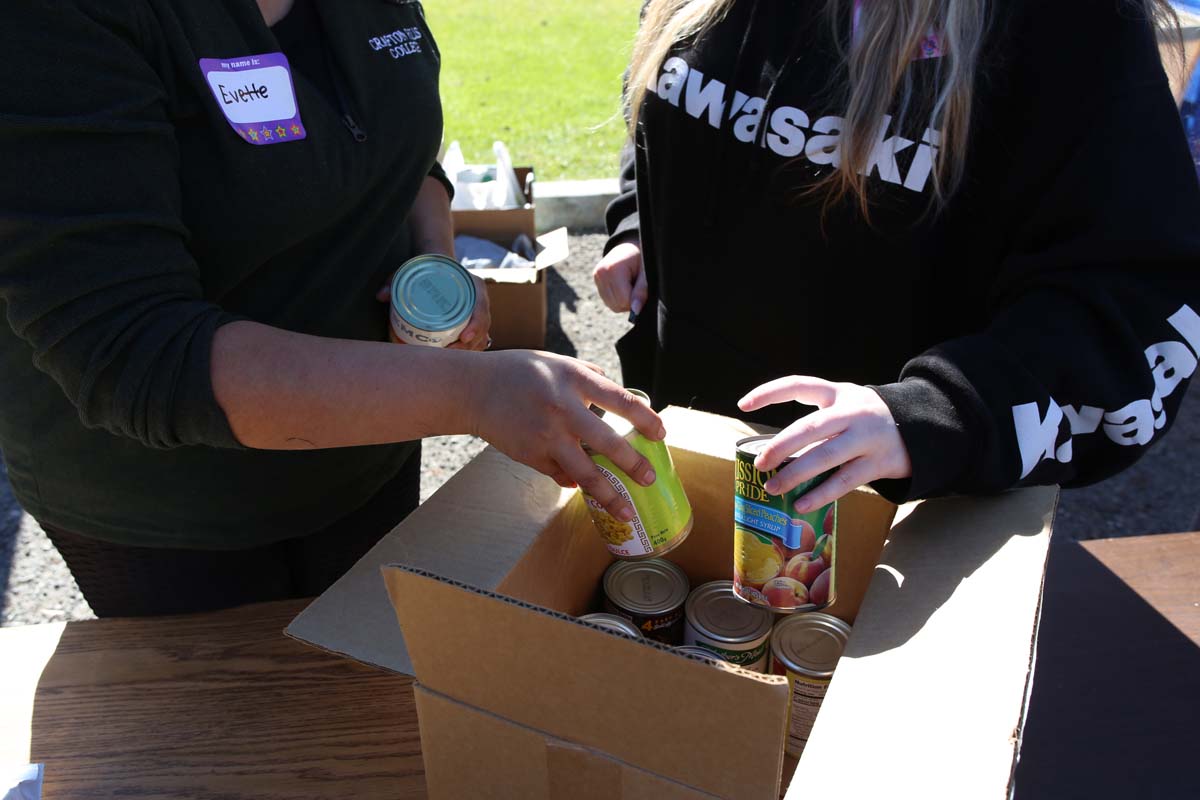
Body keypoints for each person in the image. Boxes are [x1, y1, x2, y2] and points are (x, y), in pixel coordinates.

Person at [0, 0, 664, 617]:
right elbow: (131, 349)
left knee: (365, 671)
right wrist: (473, 392)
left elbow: (396, 147)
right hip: (166, 509)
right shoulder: (57, 22)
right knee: (234, 722)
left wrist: (435, 260)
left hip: (371, 442)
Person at [594, 0, 1200, 511]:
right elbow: (668, 97)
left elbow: (1135, 299)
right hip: (687, 446)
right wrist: (641, 221)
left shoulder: (1069, 25)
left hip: (897, 519)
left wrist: (934, 414)